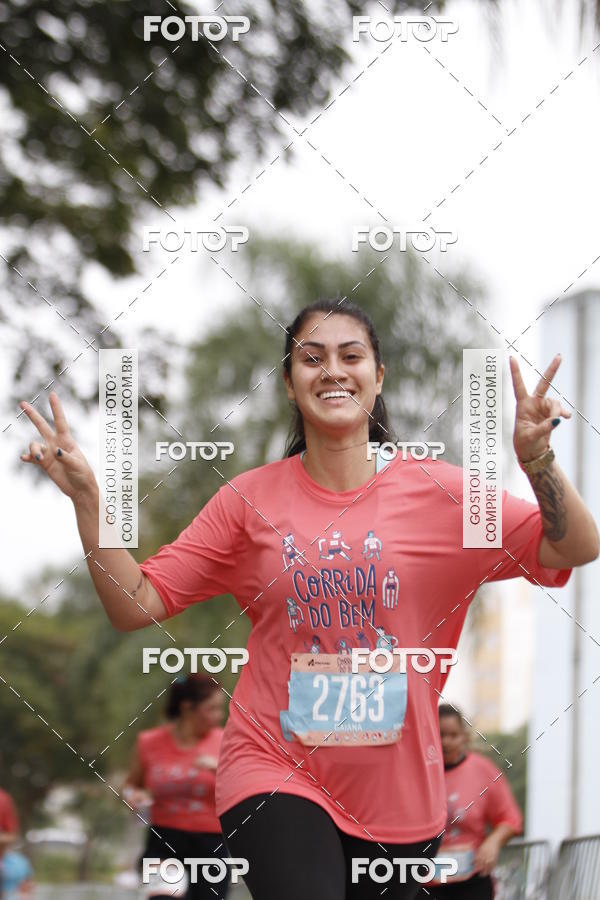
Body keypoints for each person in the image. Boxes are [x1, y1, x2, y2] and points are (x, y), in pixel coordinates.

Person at [19, 298, 599, 900]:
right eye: (312, 358)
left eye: (351, 356)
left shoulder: (446, 497)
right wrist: (89, 503)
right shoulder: (247, 502)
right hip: (272, 767)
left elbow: (574, 547)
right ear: (290, 383)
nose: (332, 371)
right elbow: (135, 602)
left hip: (399, 798)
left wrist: (537, 460)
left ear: (378, 377)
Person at [123, 673, 229, 900]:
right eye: (211, 709)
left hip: (211, 846)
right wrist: (133, 796)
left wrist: (219, 769)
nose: (219, 716)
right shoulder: (149, 742)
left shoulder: (226, 742)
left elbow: (242, 789)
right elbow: (131, 785)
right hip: (163, 841)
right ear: (187, 707)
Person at [421, 704, 522, 899]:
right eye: (441, 735)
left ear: (464, 737)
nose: (446, 742)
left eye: (453, 735)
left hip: (472, 883)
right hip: (424, 884)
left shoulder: (482, 770)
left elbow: (511, 819)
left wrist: (493, 842)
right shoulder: (416, 773)